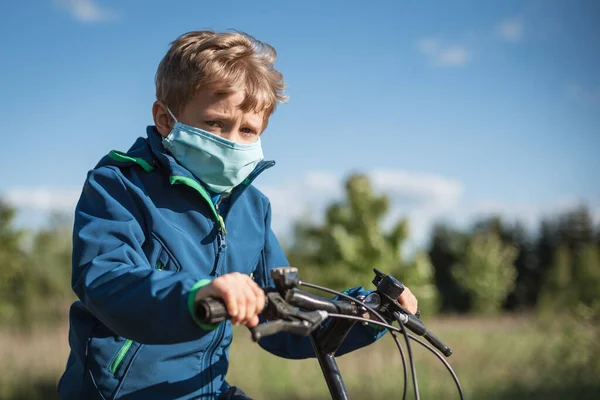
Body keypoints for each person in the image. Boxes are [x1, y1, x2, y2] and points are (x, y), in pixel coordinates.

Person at [57, 30, 418, 400]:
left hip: (206, 390)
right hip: (121, 393)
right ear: (165, 120)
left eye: (247, 130)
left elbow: (281, 317)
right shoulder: (119, 184)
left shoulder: (253, 208)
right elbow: (106, 280)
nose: (232, 141)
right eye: (215, 123)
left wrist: (364, 314)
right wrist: (195, 294)